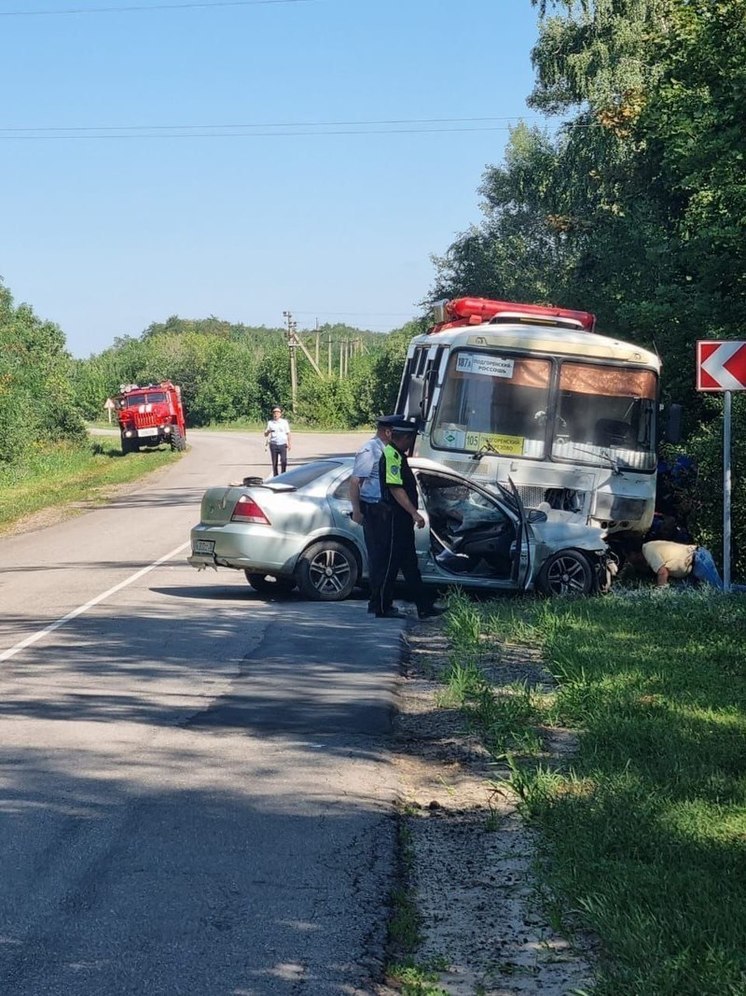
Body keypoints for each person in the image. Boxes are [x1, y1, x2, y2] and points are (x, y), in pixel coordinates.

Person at [379, 420, 444, 620]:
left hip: (401, 520)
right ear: (405, 437)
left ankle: (424, 607)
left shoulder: (397, 455)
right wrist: (414, 513)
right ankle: (382, 607)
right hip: (394, 519)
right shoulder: (391, 455)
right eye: (410, 439)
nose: (410, 443)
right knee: (390, 565)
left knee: (410, 565)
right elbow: (395, 488)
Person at [350, 415, 399, 618]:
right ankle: (378, 604)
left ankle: (381, 602)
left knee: (385, 558)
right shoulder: (370, 450)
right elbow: (355, 482)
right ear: (388, 432)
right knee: (379, 559)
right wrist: (357, 510)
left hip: (384, 510)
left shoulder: (387, 451)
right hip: (374, 510)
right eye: (397, 432)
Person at [264, 406, 291, 476]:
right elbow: (265, 434)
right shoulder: (270, 423)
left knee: (284, 461)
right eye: (274, 412)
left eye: (277, 412)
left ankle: (283, 475)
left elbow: (288, 433)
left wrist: (289, 443)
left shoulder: (284, 422)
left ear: (280, 414)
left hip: (282, 444)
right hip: (273, 445)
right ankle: (275, 476)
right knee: (274, 462)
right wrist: (268, 431)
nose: (276, 414)